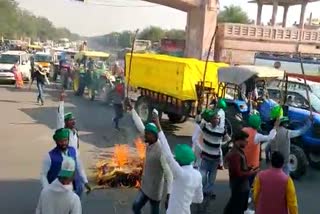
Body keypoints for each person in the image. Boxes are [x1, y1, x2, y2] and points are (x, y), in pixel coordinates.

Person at [153, 110, 203, 214]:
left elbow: (167, 153)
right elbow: (199, 199)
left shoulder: (180, 173)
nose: (175, 158)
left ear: (179, 160)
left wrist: (158, 126)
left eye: (176, 157)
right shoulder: (198, 175)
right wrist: (186, 198)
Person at [130, 106, 173, 214]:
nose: (145, 135)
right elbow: (140, 125)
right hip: (145, 186)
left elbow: (169, 174)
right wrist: (132, 110)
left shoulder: (161, 151)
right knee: (136, 207)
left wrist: (169, 194)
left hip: (155, 191)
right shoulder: (150, 142)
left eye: (147, 134)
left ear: (154, 135)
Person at [40, 128, 91, 197]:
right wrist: (46, 190)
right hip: (57, 191)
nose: (64, 143)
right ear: (56, 142)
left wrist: (85, 181)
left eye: (65, 140)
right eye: (61, 141)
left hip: (75, 189)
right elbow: (43, 174)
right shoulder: (49, 156)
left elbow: (79, 167)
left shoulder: (73, 151)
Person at [242, 114, 278, 209]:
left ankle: (243, 199)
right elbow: (270, 137)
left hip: (242, 164)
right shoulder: (257, 136)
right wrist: (275, 127)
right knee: (249, 186)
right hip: (252, 166)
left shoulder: (244, 131)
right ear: (258, 125)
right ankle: (245, 207)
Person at [224, 130, 259, 214]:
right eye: (245, 141)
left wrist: (248, 168)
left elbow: (240, 168)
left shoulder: (238, 151)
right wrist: (252, 173)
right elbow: (238, 174)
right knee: (237, 208)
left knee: (233, 207)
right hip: (239, 187)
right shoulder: (235, 154)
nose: (247, 143)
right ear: (238, 141)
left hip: (240, 186)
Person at [192, 108, 225, 199]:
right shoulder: (205, 126)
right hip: (206, 157)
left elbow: (225, 141)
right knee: (203, 175)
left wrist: (221, 161)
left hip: (215, 159)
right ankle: (203, 190)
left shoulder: (222, 130)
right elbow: (197, 120)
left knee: (212, 177)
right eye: (214, 118)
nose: (216, 120)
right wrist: (202, 113)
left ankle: (208, 191)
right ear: (210, 119)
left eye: (218, 118)